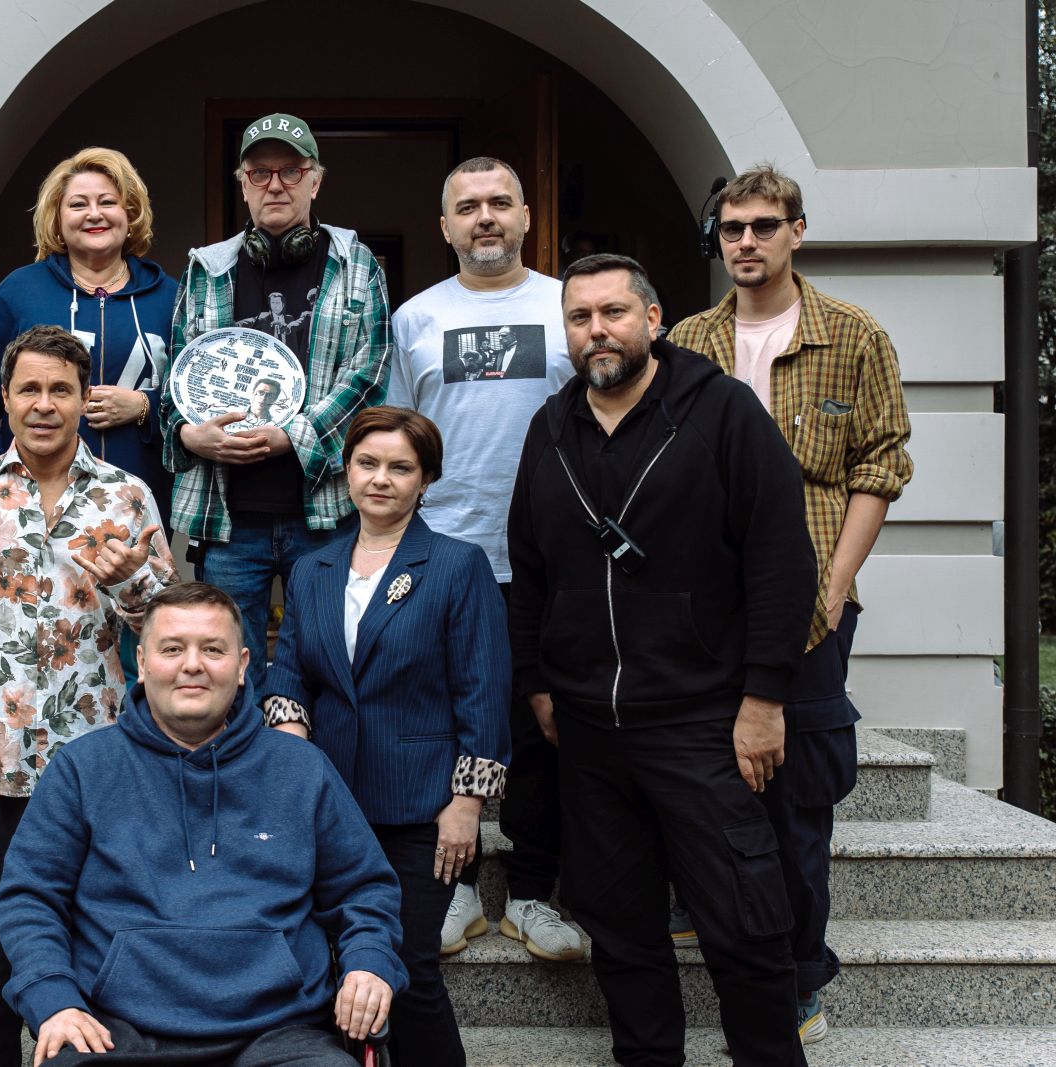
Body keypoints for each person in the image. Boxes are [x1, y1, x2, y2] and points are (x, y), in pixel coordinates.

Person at [509, 254, 817, 1067]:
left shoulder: (723, 412)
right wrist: (537, 682)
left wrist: (765, 698)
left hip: (703, 721)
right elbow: (529, 566)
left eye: (613, 312)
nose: (597, 331)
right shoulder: (551, 428)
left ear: (652, 319)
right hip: (588, 731)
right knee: (619, 928)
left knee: (745, 922)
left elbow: (782, 561)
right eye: (580, 317)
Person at [666, 164, 914, 1043]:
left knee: (796, 796)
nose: (746, 242)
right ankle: (706, 905)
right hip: (704, 610)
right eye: (732, 228)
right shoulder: (688, 341)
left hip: (810, 610)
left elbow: (880, 467)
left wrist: (834, 590)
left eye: (764, 225)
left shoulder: (853, 335)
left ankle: (802, 972)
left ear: (796, 232)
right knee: (699, 771)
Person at [0, 324, 178, 1067]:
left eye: (62, 389)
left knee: (98, 952)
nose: (45, 403)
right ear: (5, 398)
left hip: (101, 766)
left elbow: (172, 634)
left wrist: (132, 582)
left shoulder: (126, 496)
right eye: (30, 388)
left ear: (85, 399)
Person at [0, 582, 408, 1066]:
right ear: (143, 663)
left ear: (243, 665)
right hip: (115, 1033)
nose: (192, 664)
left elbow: (364, 890)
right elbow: (30, 896)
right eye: (173, 649)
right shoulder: (83, 769)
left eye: (213, 649)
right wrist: (53, 998)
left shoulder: (301, 768)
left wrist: (369, 963)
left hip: (282, 1032)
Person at [264, 406, 509, 1067]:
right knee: (338, 967)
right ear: (346, 471)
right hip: (330, 807)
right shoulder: (313, 568)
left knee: (407, 967)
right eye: (367, 463)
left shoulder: (457, 566)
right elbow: (289, 672)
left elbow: (483, 691)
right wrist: (289, 733)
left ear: (425, 479)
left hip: (421, 809)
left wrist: (467, 804)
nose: (380, 479)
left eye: (400, 467)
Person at [386, 156, 578, 962]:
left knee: (541, 728)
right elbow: (396, 436)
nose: (486, 217)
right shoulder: (415, 317)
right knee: (446, 725)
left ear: (528, 216)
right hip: (448, 553)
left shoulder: (569, 305)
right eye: (468, 206)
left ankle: (531, 892)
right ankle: (454, 889)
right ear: (446, 226)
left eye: (501, 202)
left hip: (554, 558)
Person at [162, 111, 392, 694]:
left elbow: (370, 375)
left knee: (330, 665)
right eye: (260, 172)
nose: (275, 185)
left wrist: (294, 435)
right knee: (224, 673)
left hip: (325, 514)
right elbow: (177, 379)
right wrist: (189, 434)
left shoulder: (357, 265)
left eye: (291, 171)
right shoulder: (206, 271)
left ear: (316, 180)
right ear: (242, 183)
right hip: (228, 518)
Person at [0, 146, 176, 528]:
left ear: (130, 214)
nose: (94, 214)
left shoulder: (171, 299)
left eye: (107, 202)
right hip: (29, 511)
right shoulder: (18, 293)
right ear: (57, 219)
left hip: (137, 509)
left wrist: (144, 406)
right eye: (78, 204)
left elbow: (194, 405)